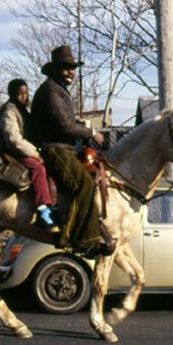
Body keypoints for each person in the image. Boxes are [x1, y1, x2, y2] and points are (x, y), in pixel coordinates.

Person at [30, 46, 112, 256]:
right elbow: (64, 127)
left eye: (73, 68)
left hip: (64, 146)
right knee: (84, 184)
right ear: (55, 69)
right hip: (55, 149)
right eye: (66, 68)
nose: (71, 72)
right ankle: (79, 239)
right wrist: (91, 132)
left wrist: (80, 124)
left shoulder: (58, 90)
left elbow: (66, 121)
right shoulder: (50, 91)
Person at [0, 78, 59, 233]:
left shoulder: (23, 110)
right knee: (38, 168)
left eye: (26, 93)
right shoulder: (9, 112)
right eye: (20, 94)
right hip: (13, 152)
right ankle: (42, 210)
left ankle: (55, 205)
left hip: (23, 149)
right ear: (11, 94)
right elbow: (13, 139)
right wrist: (35, 154)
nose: (24, 97)